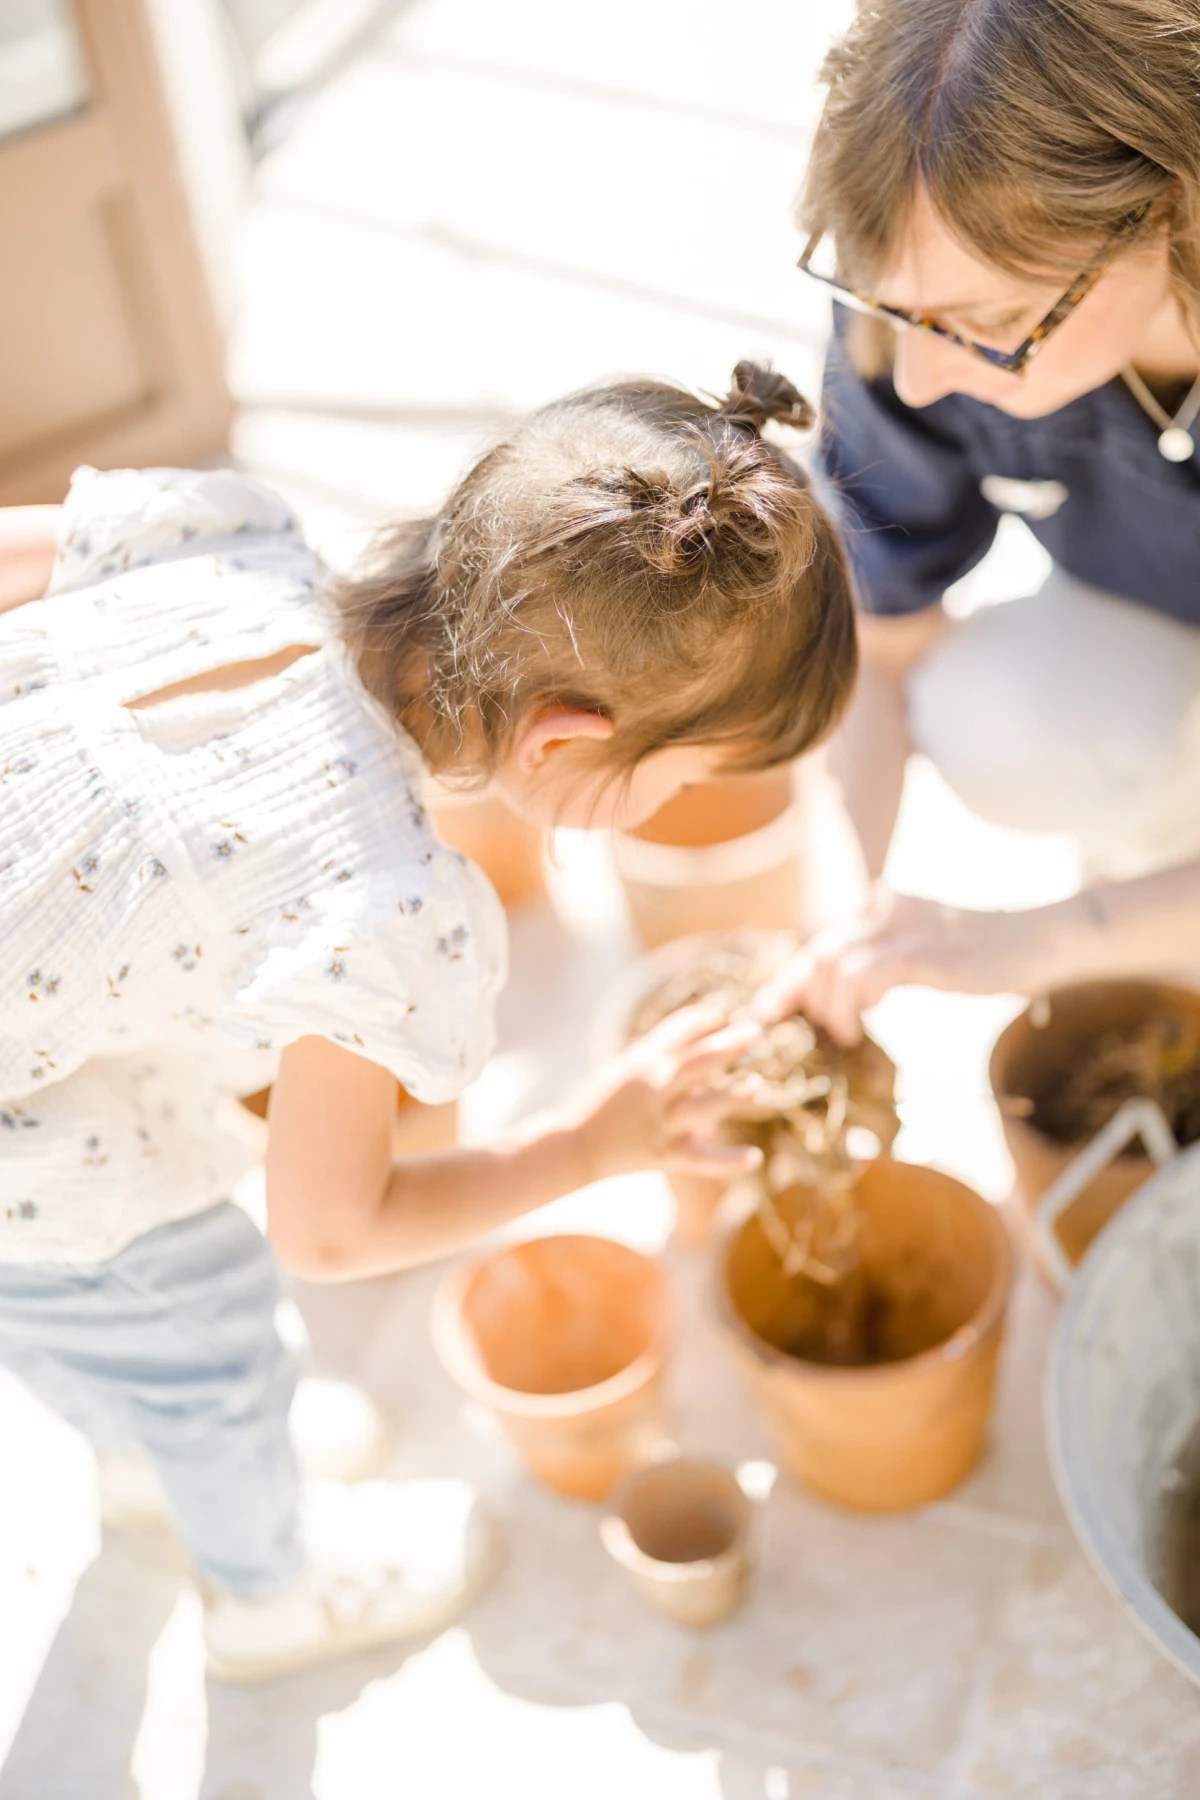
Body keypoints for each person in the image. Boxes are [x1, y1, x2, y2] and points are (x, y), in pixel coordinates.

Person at [0, 362, 855, 1681]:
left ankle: (144, 1438)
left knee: (78, 1309)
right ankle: (262, 1586)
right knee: (208, 1321)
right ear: (562, 749)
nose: (671, 802)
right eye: (678, 774)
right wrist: (586, 1145)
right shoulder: (381, 900)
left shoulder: (235, 540)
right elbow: (332, 1228)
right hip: (24, 1139)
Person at [759, 0, 1200, 1042]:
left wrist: (1053, 937)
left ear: (1172, 210)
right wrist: (840, 915)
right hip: (1158, 652)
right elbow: (883, 643)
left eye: (992, 324)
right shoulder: (921, 298)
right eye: (895, 310)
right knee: (991, 710)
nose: (920, 372)